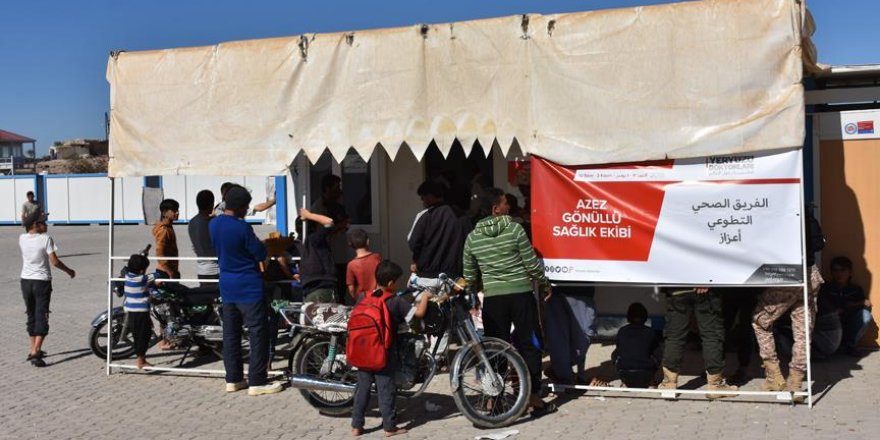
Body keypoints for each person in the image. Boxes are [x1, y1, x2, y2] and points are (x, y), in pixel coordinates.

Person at [462, 188, 556, 416]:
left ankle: (494, 400)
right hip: (521, 296)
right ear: (496, 209)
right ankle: (533, 396)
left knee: (496, 349)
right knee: (530, 344)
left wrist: (474, 295)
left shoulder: (472, 238)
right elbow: (532, 263)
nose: (509, 207)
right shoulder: (515, 229)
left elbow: (469, 275)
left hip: (493, 301)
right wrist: (545, 283)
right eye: (505, 203)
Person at [209, 185, 282, 396]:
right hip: (248, 286)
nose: (247, 209)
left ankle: (233, 378)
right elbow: (259, 253)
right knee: (258, 333)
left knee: (230, 333)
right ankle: (257, 380)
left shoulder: (214, 224)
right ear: (241, 206)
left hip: (227, 284)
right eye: (246, 206)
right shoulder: (242, 228)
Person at [351, 260, 432, 437]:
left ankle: (356, 426)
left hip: (363, 351)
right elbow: (417, 315)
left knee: (362, 389)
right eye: (397, 281)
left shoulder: (364, 296)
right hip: (383, 354)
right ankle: (390, 427)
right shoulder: (396, 301)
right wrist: (425, 297)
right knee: (386, 390)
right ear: (391, 283)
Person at [752, 208, 825, 402]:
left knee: (760, 321)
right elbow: (819, 243)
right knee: (803, 332)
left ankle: (773, 375)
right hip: (810, 276)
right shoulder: (805, 212)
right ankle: (795, 382)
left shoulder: (776, 209)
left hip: (787, 276)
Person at [658, 287, 738, 398]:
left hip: (677, 287)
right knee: (711, 335)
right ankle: (715, 385)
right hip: (706, 289)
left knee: (675, 336)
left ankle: (669, 384)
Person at [19, 210, 75, 367]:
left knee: (31, 314)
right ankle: (36, 352)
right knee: (42, 314)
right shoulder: (45, 239)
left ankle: (33, 348)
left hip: (25, 281)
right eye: (43, 222)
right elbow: (55, 262)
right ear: (35, 225)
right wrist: (69, 271)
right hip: (41, 282)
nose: (46, 224)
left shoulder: (22, 238)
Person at [408, 180, 468, 285]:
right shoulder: (461, 217)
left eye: (423, 198)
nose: (423, 202)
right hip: (453, 277)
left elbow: (412, 243)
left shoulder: (425, 216)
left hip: (427, 276)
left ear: (429, 196)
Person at [544, 284, 598, 386]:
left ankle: (559, 370)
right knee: (559, 338)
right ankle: (564, 376)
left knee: (585, 337)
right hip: (558, 291)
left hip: (583, 292)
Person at [819, 256, 873, 356]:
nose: (839, 274)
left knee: (866, 316)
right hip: (831, 326)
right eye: (835, 270)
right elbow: (822, 305)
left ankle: (850, 346)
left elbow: (865, 304)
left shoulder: (856, 289)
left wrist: (853, 305)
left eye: (843, 270)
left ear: (850, 272)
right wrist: (834, 311)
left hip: (849, 324)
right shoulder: (826, 288)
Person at [310, 174, 350, 302]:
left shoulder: (338, 206)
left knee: (342, 287)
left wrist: (342, 227)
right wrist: (339, 226)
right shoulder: (319, 207)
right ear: (327, 188)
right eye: (336, 187)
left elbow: (345, 224)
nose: (339, 190)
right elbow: (323, 230)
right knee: (332, 287)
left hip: (341, 254)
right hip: (327, 255)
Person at [123, 254, 162, 369]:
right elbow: (157, 275)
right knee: (143, 335)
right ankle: (141, 360)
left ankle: (141, 358)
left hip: (131, 310)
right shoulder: (142, 279)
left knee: (138, 333)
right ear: (141, 270)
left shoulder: (127, 276)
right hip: (140, 310)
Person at [612, 302, 659, 388]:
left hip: (624, 372)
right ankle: (651, 381)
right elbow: (657, 352)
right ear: (645, 316)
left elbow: (618, 350)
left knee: (616, 353)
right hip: (646, 371)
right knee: (658, 352)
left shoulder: (622, 331)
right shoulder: (650, 332)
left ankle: (625, 382)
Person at [297, 208, 338, 303]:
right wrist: (308, 215)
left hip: (315, 288)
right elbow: (329, 222)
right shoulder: (314, 239)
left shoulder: (307, 242)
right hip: (319, 289)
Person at [188, 190, 219, 287]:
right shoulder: (213, 223)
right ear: (211, 204)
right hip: (215, 269)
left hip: (201, 269)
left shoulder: (192, 222)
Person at [346, 229, 382, 301]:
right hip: (378, 296)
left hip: (362, 299)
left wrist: (357, 299)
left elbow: (351, 289)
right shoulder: (377, 257)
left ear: (350, 244)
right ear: (368, 241)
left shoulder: (351, 265)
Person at [152, 198, 180, 279]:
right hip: (165, 272)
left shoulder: (169, 227)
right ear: (165, 213)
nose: (177, 212)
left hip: (171, 270)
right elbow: (159, 253)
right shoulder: (164, 230)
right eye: (174, 210)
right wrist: (169, 272)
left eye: (177, 210)